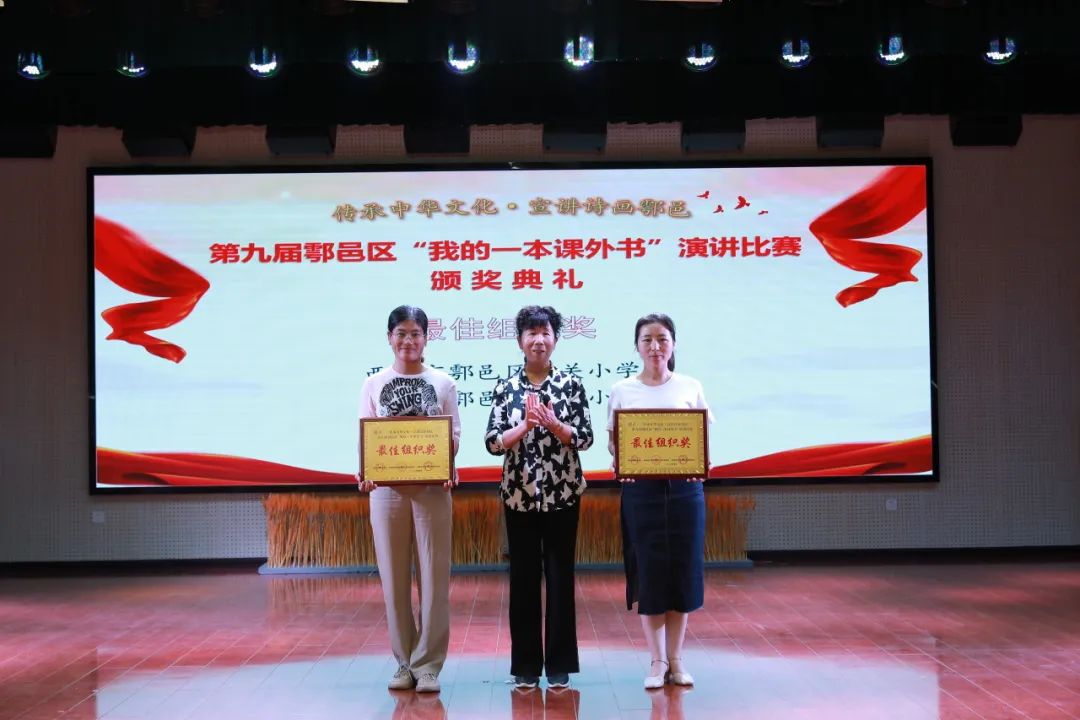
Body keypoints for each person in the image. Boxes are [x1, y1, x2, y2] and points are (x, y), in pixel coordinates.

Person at [484, 305, 594, 690]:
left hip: (564, 494)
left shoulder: (571, 385)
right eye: (531, 333)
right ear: (520, 341)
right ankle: (526, 666)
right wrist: (525, 426)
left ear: (556, 339)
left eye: (545, 332)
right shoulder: (506, 388)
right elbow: (493, 442)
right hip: (520, 496)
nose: (538, 340)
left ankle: (560, 664)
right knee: (524, 580)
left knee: (561, 578)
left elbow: (585, 438)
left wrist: (557, 426)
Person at [607, 313, 714, 690]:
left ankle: (677, 659)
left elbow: (702, 438)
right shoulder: (623, 389)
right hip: (641, 492)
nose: (655, 346)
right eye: (647, 339)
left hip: (686, 491)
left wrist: (704, 462)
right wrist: (621, 463)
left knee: (683, 571)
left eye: (662, 338)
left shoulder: (690, 386)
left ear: (674, 344)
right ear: (636, 346)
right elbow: (614, 442)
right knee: (650, 573)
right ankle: (656, 661)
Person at [356, 305, 460, 694]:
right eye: (401, 333)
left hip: (432, 489)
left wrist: (448, 463)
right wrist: (365, 471)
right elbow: (366, 434)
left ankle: (428, 665)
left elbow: (453, 435)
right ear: (389, 338)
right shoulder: (373, 383)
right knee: (393, 578)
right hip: (387, 492)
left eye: (415, 333)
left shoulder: (444, 383)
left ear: (426, 338)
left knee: (434, 577)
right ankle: (404, 663)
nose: (408, 340)